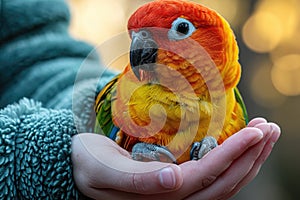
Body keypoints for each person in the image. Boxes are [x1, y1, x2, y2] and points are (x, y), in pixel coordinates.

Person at [0, 0, 281, 199]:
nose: (142, 43)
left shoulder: (234, 109)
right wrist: (57, 156)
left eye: (181, 30)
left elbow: (32, 56)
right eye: (137, 36)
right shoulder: (119, 97)